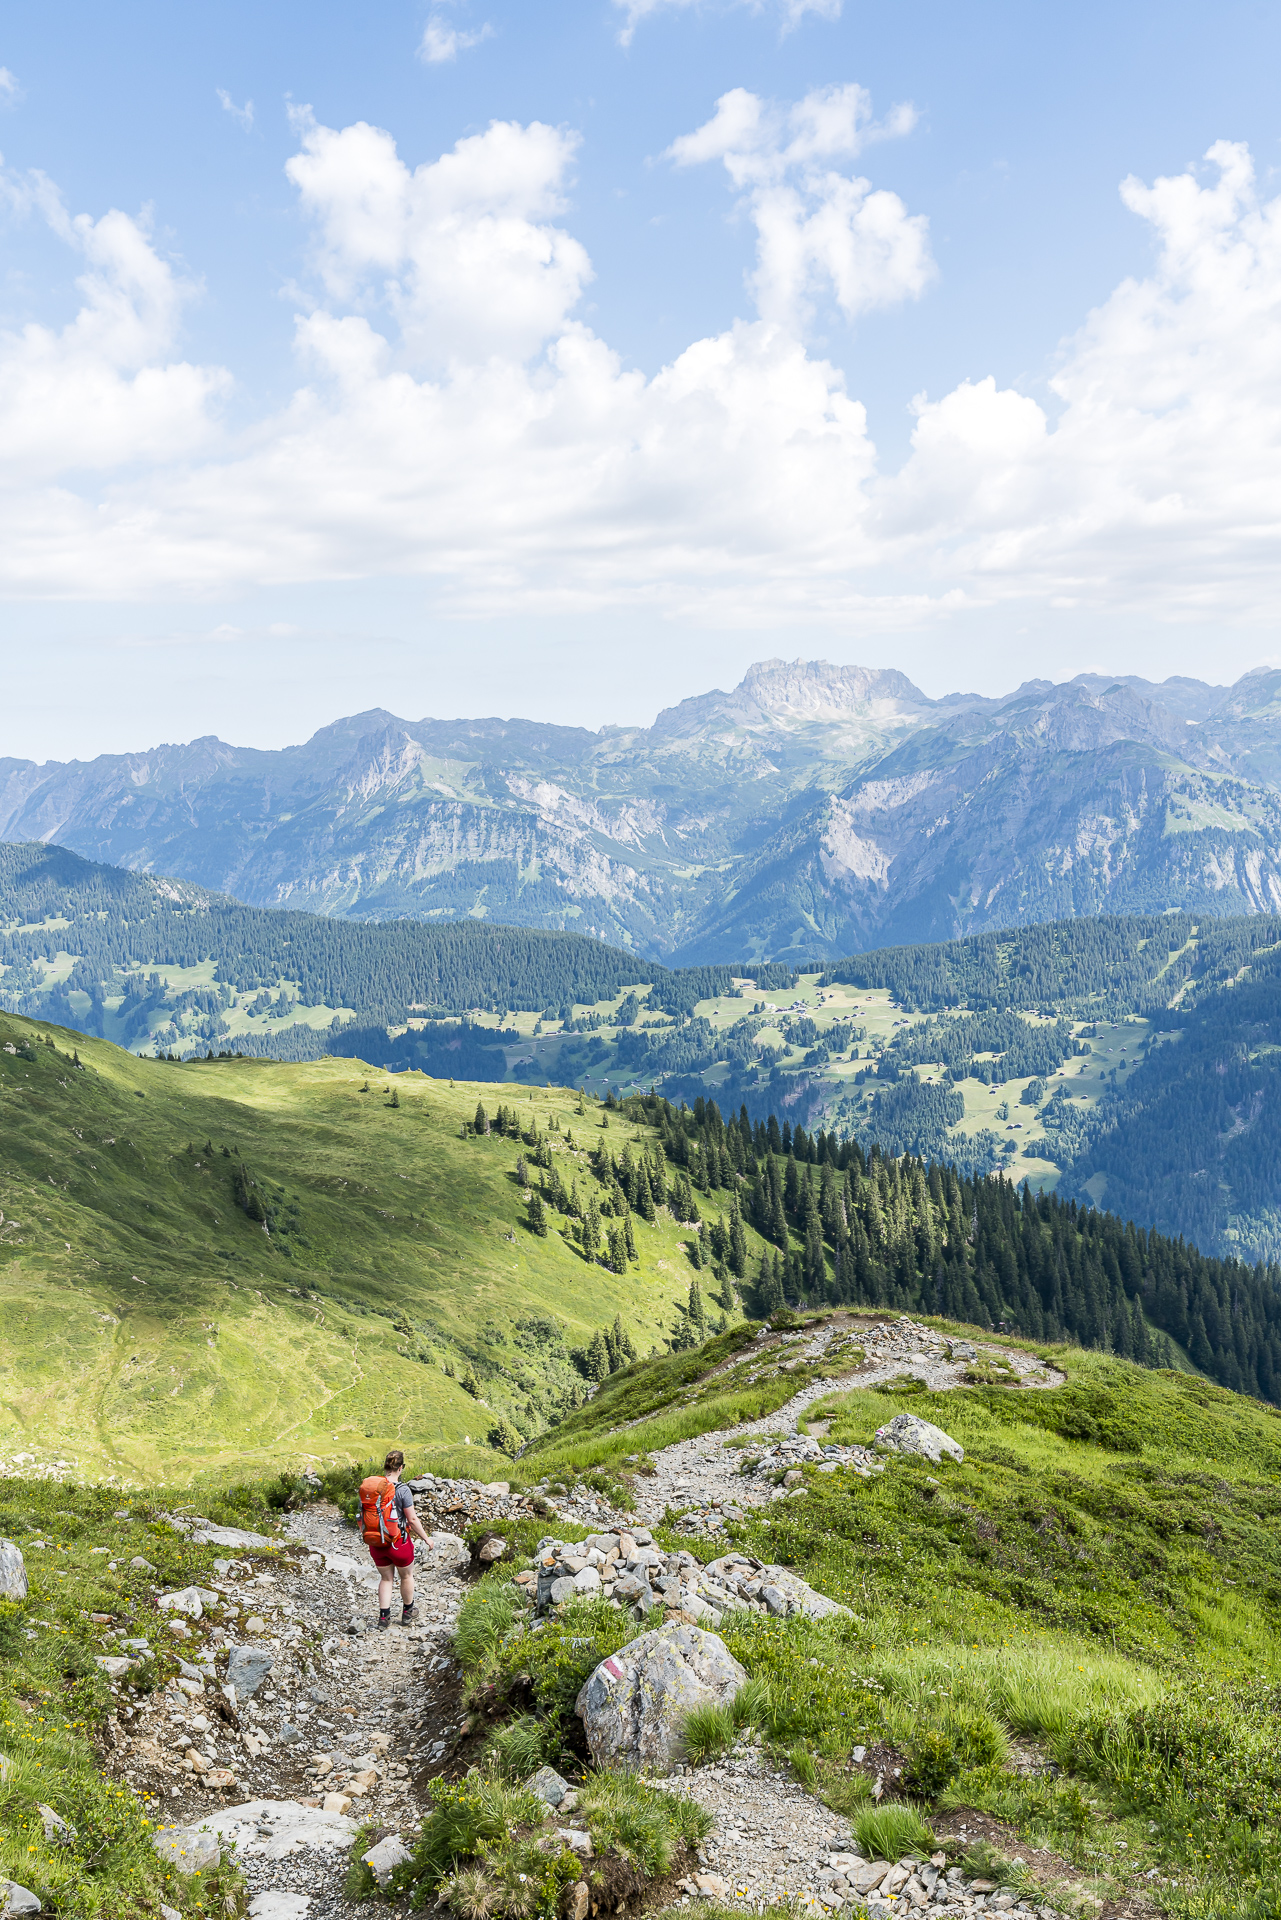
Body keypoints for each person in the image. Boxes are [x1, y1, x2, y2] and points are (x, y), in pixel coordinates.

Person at [362, 1449, 432, 1629]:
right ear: (401, 1468)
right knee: (406, 1575)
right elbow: (412, 1519)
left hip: (376, 1542)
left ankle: (383, 1618)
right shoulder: (403, 1490)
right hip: (398, 1543)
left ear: (385, 1466)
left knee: (386, 1578)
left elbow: (363, 1517)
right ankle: (408, 1612)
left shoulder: (372, 1488)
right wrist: (426, 1539)